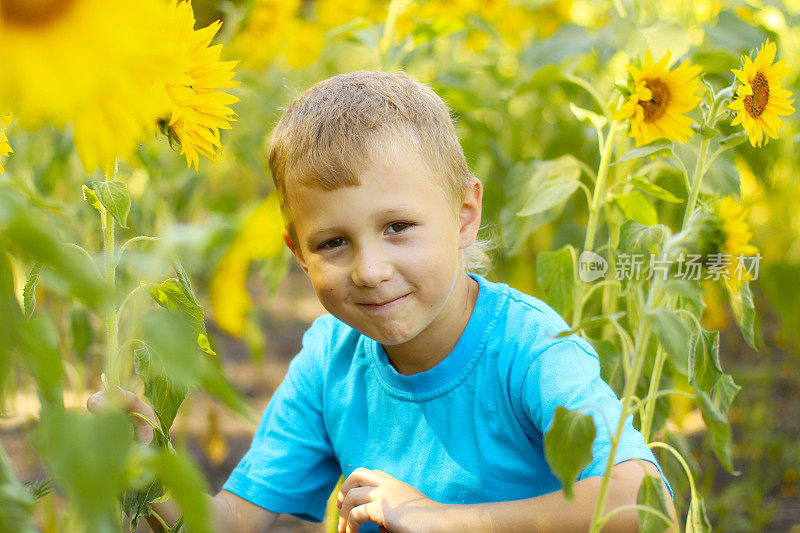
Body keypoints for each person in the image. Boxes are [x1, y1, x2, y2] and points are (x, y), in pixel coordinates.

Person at [89, 70, 675, 533]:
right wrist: (146, 467)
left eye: (398, 226)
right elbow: (235, 520)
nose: (370, 271)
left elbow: (644, 505)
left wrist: (444, 519)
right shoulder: (329, 362)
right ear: (298, 252)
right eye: (333, 243)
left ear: (464, 214)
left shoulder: (529, 347)